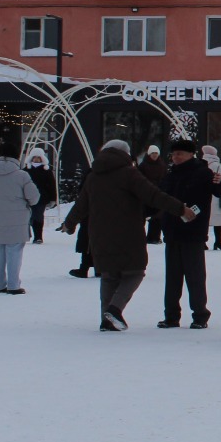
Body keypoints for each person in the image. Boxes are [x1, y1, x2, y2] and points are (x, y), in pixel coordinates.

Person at [60, 140, 193, 331]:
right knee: (135, 272)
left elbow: (81, 205)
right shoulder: (129, 174)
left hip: (99, 234)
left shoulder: (93, 176)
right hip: (128, 232)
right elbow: (153, 195)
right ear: (124, 153)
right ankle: (114, 310)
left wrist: (69, 224)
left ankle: (106, 321)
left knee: (109, 275)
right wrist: (180, 209)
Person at [156, 139, 221, 330]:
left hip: (193, 232)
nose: (176, 157)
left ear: (191, 154)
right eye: (173, 154)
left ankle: (200, 315)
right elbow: (159, 196)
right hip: (172, 232)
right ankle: (171, 316)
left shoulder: (203, 172)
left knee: (195, 277)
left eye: (180, 153)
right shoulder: (170, 175)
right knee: (172, 278)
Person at [0, 153, 40, 294]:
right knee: (14, 251)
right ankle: (13, 286)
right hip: (17, 219)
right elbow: (34, 197)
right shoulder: (22, 175)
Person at [201, 145, 221, 250]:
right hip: (217, 196)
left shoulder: (201, 164)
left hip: (205, 195)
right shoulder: (216, 165)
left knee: (205, 220)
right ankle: (218, 242)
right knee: (218, 221)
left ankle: (203, 242)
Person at [25, 148, 56, 244]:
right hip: (27, 197)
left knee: (38, 216)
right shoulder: (25, 170)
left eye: (38, 157)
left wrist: (53, 198)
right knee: (28, 217)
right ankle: (28, 235)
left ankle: (38, 236)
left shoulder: (46, 171)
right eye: (34, 157)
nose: (36, 159)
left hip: (41, 198)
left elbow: (52, 185)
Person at [138, 145, 167, 243]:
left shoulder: (162, 165)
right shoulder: (143, 166)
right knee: (141, 217)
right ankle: (140, 236)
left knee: (157, 217)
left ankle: (154, 237)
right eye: (153, 153)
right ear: (149, 154)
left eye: (156, 153)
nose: (154, 155)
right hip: (146, 194)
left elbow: (164, 178)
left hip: (158, 193)